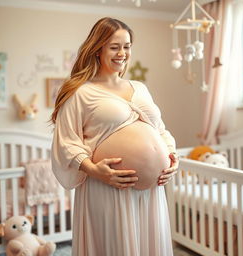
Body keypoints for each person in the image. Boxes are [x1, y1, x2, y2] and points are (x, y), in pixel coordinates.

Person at [51, 17, 179, 256]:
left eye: (127, 46)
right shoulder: (80, 92)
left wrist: (172, 157)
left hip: (150, 193)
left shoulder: (140, 88)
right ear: (98, 49)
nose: (122, 53)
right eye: (114, 46)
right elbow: (66, 142)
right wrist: (94, 170)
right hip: (108, 188)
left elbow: (160, 130)